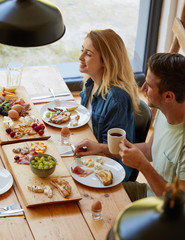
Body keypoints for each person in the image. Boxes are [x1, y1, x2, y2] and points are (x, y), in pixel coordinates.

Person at [119, 52, 185, 201]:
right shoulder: (166, 110)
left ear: (168, 96)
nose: (142, 89)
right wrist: (102, 148)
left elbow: (176, 202)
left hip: (168, 216)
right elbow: (149, 150)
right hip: (149, 194)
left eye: (148, 86)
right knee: (95, 192)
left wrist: (143, 166)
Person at [77, 29, 140, 181]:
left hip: (110, 171)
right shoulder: (90, 85)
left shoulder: (117, 99)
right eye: (82, 51)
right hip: (92, 159)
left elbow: (117, 151)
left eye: (88, 54)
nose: (80, 57)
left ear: (106, 60)